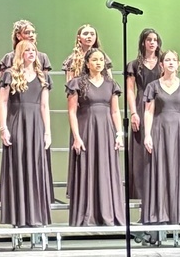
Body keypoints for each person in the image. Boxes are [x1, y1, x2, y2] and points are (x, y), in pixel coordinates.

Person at [66, 48, 126, 226]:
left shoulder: (111, 84)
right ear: (87, 63)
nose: (99, 63)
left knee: (106, 169)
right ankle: (87, 216)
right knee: (87, 168)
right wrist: (76, 136)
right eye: (95, 60)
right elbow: (71, 111)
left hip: (106, 130)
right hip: (86, 128)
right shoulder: (77, 83)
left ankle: (108, 214)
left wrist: (119, 134)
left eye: (101, 60)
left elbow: (115, 111)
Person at [141, 50, 180, 229]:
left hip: (179, 131)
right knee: (159, 168)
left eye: (174, 60)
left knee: (178, 169)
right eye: (167, 60)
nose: (171, 63)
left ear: (178, 63)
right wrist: (147, 134)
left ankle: (179, 212)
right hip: (160, 129)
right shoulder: (153, 86)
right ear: (161, 64)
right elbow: (148, 111)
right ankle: (159, 211)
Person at [0, 40, 53, 228]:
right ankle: (19, 216)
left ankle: (36, 215)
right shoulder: (10, 75)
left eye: (33, 50)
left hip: (36, 124)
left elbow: (45, 105)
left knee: (36, 167)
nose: (31, 53)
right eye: (27, 50)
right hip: (17, 122)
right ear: (20, 53)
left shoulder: (42, 76)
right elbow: (2, 102)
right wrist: (3, 127)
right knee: (19, 166)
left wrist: (48, 132)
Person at [124, 28, 163, 199]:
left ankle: (160, 200)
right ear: (143, 42)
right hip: (141, 106)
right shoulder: (134, 65)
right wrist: (133, 113)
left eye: (155, 39)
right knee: (141, 154)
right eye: (149, 39)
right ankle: (143, 202)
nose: (152, 42)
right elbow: (130, 90)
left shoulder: (162, 63)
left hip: (160, 107)